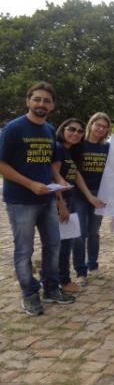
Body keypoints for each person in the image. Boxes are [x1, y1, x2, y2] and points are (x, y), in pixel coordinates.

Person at [0, 81, 75, 315]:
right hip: (21, 200)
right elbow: (2, 163)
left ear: (52, 106)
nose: (41, 104)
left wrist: (59, 182)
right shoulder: (13, 128)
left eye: (46, 100)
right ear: (28, 101)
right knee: (24, 250)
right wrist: (30, 184)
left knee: (53, 245)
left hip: (47, 199)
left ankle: (51, 289)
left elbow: (51, 164)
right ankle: (29, 295)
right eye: (37, 99)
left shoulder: (50, 130)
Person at [73, 112, 111, 286]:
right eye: (98, 125)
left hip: (100, 194)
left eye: (104, 127)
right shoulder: (79, 145)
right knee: (79, 234)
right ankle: (80, 272)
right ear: (91, 124)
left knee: (94, 233)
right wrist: (89, 195)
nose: (100, 129)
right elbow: (75, 172)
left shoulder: (107, 148)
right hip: (80, 194)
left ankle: (93, 266)